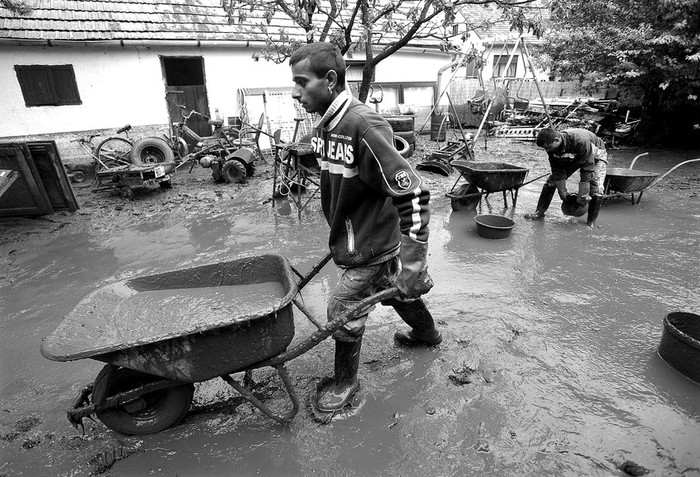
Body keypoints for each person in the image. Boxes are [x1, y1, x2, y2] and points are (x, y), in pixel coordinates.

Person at [289, 42, 441, 414]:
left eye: (301, 82)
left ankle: (346, 383)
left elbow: (416, 194)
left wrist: (414, 264)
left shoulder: (365, 125)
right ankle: (428, 334)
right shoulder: (326, 124)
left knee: (342, 308)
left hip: (371, 244)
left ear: (329, 80)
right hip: (360, 236)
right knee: (394, 292)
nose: (295, 92)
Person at [524, 127, 608, 227]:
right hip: (575, 155)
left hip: (595, 155)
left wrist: (583, 194)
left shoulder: (580, 141)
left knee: (596, 188)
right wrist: (562, 192)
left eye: (548, 147)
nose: (547, 150)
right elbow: (557, 170)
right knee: (551, 182)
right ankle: (539, 212)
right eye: (545, 148)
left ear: (557, 140)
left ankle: (591, 222)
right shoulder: (551, 147)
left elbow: (587, 168)